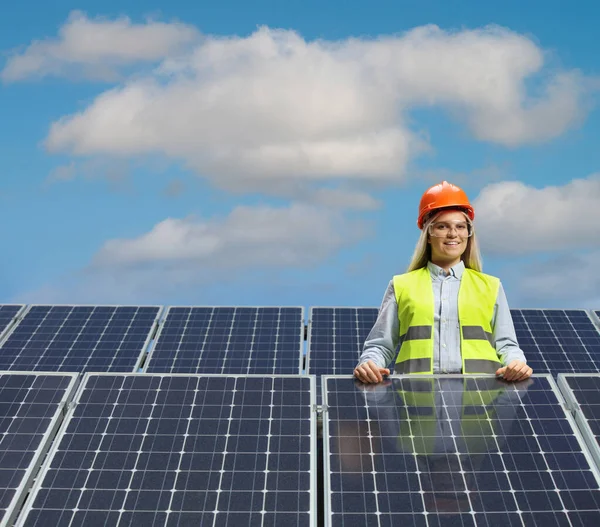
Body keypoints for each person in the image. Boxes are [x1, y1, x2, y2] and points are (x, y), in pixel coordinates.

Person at [354, 181, 532, 384]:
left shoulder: (491, 286)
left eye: (460, 227)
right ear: (428, 234)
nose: (453, 234)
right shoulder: (401, 285)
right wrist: (369, 363)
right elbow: (380, 346)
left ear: (468, 233)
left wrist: (516, 363)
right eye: (442, 226)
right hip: (416, 400)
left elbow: (507, 346)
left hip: (480, 400)